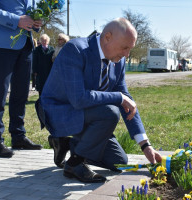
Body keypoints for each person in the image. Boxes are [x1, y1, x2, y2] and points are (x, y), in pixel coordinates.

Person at [38, 18, 162, 183]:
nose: (127, 54)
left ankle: (66, 144)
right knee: (110, 112)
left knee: (119, 161)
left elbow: (127, 102)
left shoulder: (119, 61)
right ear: (108, 37)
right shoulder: (75, 50)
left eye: (130, 49)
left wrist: (145, 145)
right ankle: (75, 163)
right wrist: (119, 97)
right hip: (60, 111)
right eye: (125, 47)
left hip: (88, 114)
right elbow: (79, 99)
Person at [0, 0, 43, 158]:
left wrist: (36, 22)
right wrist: (17, 20)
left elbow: (28, 11)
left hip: (26, 45)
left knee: (21, 93)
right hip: (3, 44)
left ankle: (18, 136)